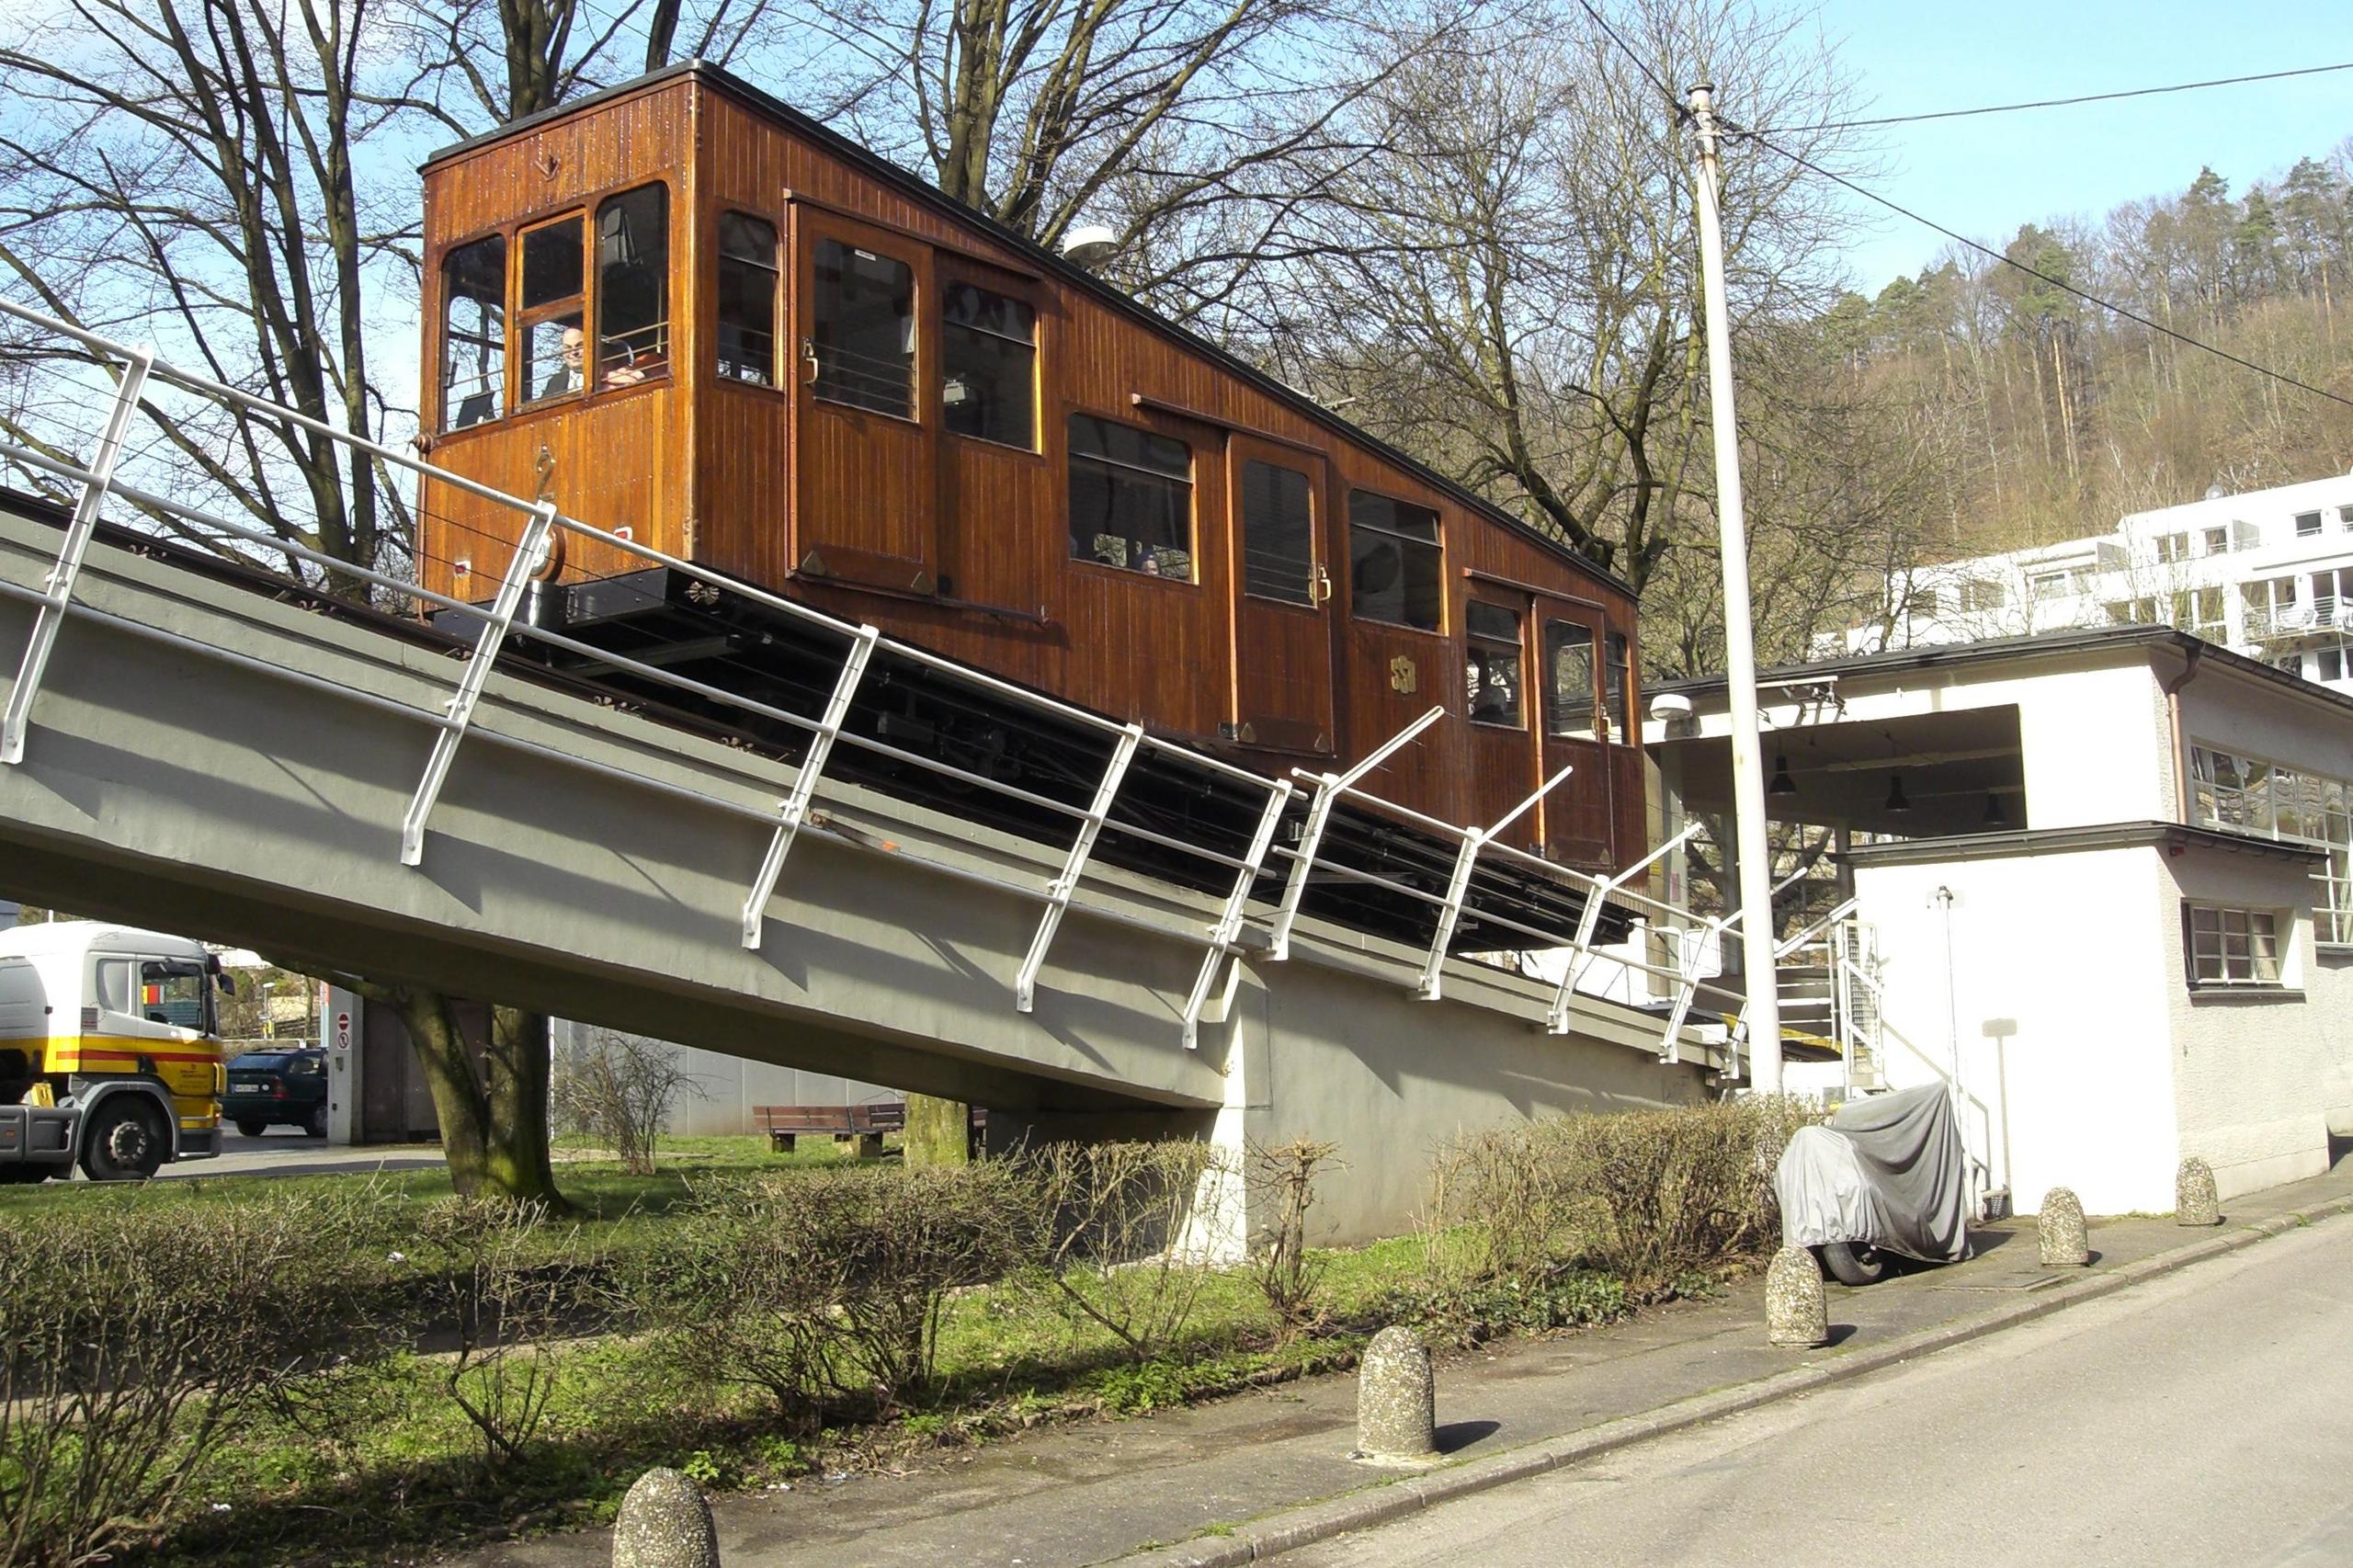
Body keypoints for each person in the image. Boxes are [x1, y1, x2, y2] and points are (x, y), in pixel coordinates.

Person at [540, 324, 585, 399]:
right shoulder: (554, 383)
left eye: (579, 346)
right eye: (568, 347)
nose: (573, 352)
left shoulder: (607, 376)